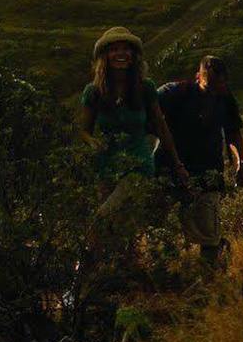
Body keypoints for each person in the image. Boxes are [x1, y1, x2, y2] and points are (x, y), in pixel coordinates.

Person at [80, 27, 193, 263]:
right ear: (105, 56)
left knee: (100, 220)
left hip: (138, 166)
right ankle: (121, 277)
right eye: (114, 49)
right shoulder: (94, 92)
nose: (121, 54)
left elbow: (161, 128)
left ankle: (86, 271)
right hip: (105, 167)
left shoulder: (145, 88)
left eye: (126, 49)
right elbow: (83, 130)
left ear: (134, 56)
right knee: (120, 228)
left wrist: (177, 163)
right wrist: (91, 142)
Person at [153, 54, 243, 269]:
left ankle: (208, 278)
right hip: (168, 170)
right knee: (157, 225)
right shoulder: (175, 93)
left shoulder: (225, 98)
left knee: (209, 234)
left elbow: (233, 133)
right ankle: (161, 273)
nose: (216, 91)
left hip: (208, 172)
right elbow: (148, 109)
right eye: (211, 86)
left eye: (221, 86)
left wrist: (241, 163)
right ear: (198, 77)